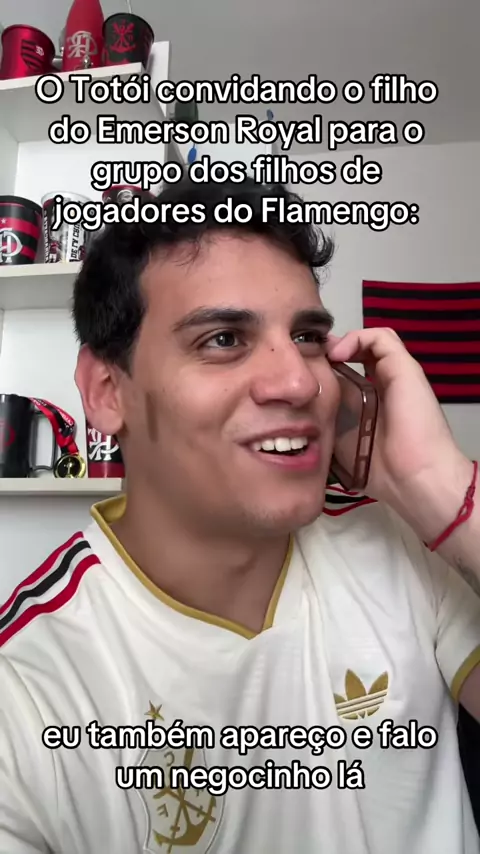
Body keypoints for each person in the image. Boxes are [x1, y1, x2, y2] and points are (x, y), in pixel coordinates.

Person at [0, 178, 479, 854]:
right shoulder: (27, 687)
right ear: (107, 391)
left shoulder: (401, 543)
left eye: (308, 336)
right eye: (224, 339)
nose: (300, 381)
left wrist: (440, 488)